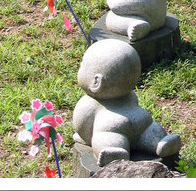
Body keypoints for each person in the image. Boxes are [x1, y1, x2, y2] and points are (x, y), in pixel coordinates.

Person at [73, 38, 181, 166]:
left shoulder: (90, 103)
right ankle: (160, 142)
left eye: (82, 65)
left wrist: (84, 137)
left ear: (96, 83)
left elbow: (82, 123)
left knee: (105, 139)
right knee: (149, 132)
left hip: (111, 127)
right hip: (141, 120)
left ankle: (116, 154)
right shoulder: (130, 95)